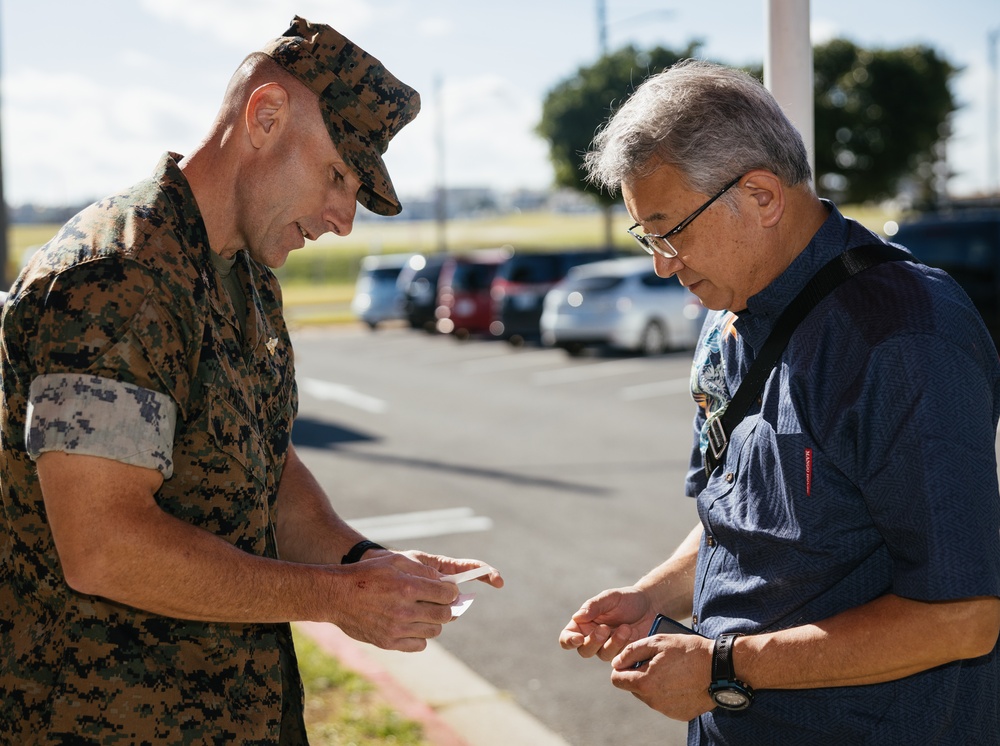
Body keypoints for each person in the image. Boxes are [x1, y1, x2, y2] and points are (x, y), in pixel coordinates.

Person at [0, 16, 501, 744]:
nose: (342, 220)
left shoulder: (244, 274)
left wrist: (364, 563)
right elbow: (104, 544)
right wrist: (336, 598)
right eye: (336, 175)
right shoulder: (119, 275)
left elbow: (266, 466)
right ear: (264, 116)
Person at [559, 59, 1000, 743]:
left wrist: (721, 665)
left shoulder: (906, 337)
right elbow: (745, 513)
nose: (661, 264)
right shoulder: (727, 314)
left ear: (762, 196)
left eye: (670, 229)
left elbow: (962, 617)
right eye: (646, 236)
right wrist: (653, 595)